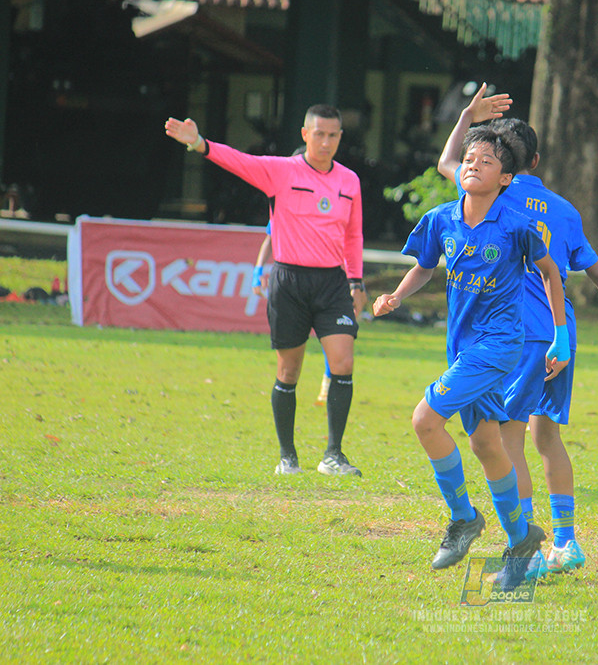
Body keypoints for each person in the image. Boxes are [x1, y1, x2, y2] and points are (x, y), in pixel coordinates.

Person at [436, 84, 598, 575]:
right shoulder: (564, 208)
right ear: (536, 159)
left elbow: (447, 161)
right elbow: (596, 270)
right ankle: (566, 543)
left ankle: (525, 552)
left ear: (503, 164)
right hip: (559, 330)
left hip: (518, 334)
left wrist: (467, 117)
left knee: (508, 442)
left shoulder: (491, 194)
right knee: (546, 435)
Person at [372, 125, 571, 589]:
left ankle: (463, 518)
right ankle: (522, 542)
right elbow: (425, 266)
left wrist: (560, 335)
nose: (473, 166)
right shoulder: (441, 219)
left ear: (505, 178)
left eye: (486, 161)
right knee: (486, 445)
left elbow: (550, 273)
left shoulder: (517, 225)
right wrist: (397, 295)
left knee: (425, 420)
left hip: (500, 344)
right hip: (462, 345)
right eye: (468, 159)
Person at [165, 106, 367, 477]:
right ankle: (288, 458)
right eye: (319, 134)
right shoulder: (281, 171)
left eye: (332, 135)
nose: (325, 142)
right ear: (305, 134)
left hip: (333, 284)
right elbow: (238, 161)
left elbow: (353, 235)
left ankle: (333, 456)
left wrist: (356, 280)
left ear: (340, 137)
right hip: (289, 282)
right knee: (289, 370)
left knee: (343, 363)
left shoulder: (349, 181)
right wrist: (200, 143)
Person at [252, 223, 335, 404]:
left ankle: (328, 382)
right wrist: (258, 271)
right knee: (290, 344)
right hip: (291, 283)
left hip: (324, 280)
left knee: (331, 335)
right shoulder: (285, 208)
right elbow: (270, 238)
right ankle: (286, 388)